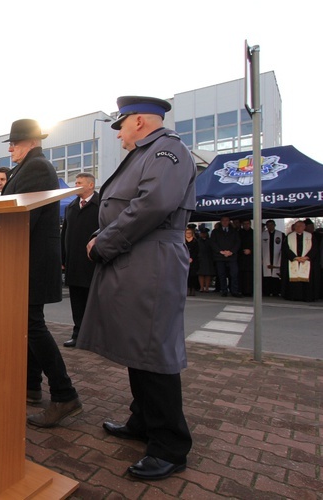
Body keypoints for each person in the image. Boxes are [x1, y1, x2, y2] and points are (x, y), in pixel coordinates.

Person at [79, 96, 195, 480]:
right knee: (138, 346)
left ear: (140, 122)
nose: (119, 135)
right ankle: (143, 421)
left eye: (122, 126)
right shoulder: (148, 151)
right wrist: (102, 234)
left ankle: (170, 446)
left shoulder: (167, 151)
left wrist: (105, 243)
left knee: (153, 350)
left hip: (151, 259)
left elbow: (152, 205)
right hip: (139, 256)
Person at [0, 118, 82, 427]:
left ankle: (64, 394)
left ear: (32, 142)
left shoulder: (36, 167)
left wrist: (2, 244)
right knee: (29, 323)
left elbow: (24, 217)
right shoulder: (28, 166)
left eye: (15, 142)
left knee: (31, 324)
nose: (11, 147)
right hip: (28, 257)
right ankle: (31, 386)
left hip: (30, 258)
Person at [60, 172, 99, 348]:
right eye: (75, 182)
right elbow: (64, 234)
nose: (76, 185)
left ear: (91, 185)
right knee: (77, 301)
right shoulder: (71, 207)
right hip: (74, 263)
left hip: (94, 263)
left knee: (95, 302)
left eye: (79, 183)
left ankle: (96, 337)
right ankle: (78, 334)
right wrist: (62, 257)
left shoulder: (101, 205)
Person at [281, 220, 317, 302]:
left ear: (304, 227)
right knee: (294, 279)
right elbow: (286, 249)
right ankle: (294, 296)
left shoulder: (310, 236)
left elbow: (314, 249)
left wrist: (307, 257)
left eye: (301, 226)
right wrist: (295, 257)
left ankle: (306, 297)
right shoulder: (289, 236)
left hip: (306, 261)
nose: (298, 228)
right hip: (294, 260)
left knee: (306, 279)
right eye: (297, 226)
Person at [210, 216, 241, 297]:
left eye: (226, 220)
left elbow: (237, 243)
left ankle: (234, 291)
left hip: (232, 256)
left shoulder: (234, 231)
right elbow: (213, 243)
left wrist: (231, 252)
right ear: (220, 221)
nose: (225, 222)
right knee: (221, 274)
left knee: (234, 274)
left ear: (229, 221)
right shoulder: (215, 231)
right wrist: (221, 251)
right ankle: (224, 290)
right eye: (223, 220)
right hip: (220, 256)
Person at [261, 220, 284, 296]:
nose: (270, 226)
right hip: (265, 257)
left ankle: (275, 292)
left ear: (275, 225)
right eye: (268, 225)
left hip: (277, 257)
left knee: (275, 275)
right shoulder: (262, 235)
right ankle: (266, 291)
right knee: (266, 275)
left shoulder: (281, 235)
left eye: (271, 224)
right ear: (266, 226)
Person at [196, 227, 215, 292]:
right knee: (200, 273)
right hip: (200, 258)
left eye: (204, 233)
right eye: (202, 233)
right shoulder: (197, 241)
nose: (203, 235)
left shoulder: (210, 241)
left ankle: (207, 288)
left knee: (208, 274)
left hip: (208, 258)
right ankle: (202, 287)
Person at [238, 219, 253, 296]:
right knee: (241, 275)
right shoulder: (239, 233)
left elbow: (258, 245)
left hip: (251, 258)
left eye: (247, 223)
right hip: (241, 257)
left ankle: (249, 291)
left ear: (250, 224)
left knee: (249, 276)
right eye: (244, 223)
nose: (246, 225)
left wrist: (251, 250)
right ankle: (241, 290)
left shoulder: (254, 233)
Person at [184, 227, 200, 296]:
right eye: (187, 233)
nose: (188, 234)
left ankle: (193, 289)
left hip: (194, 260)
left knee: (193, 275)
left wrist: (192, 258)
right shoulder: (183, 241)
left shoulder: (195, 241)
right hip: (184, 259)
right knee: (186, 275)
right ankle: (187, 289)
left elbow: (197, 251)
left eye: (190, 233)